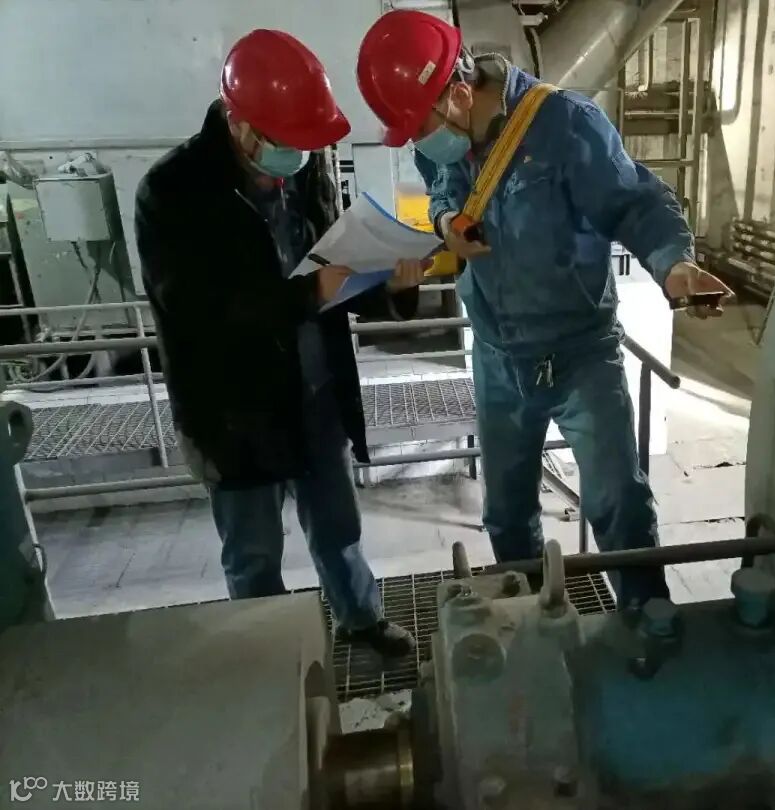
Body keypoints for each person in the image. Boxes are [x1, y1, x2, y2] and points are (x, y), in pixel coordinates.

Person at [356, 11, 733, 608]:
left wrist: (674, 265)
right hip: (497, 356)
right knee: (506, 514)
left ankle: (646, 621)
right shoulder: (444, 138)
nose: (420, 143)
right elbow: (441, 187)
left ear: (458, 93)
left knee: (619, 506)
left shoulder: (567, 125)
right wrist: (447, 220)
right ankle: (529, 617)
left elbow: (635, 203)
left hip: (582, 355)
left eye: (420, 127)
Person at [136, 29, 423, 655]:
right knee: (253, 551)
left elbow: (337, 258)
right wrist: (308, 294)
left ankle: (361, 621)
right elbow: (201, 312)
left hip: (314, 391)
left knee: (338, 528)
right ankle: (265, 655)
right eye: (289, 141)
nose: (301, 155)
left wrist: (391, 287)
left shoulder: (306, 162)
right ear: (240, 124)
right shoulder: (172, 192)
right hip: (232, 413)